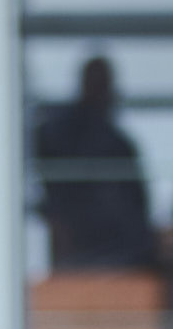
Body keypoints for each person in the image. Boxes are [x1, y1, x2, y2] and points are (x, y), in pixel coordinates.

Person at [33, 55, 155, 274]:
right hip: (77, 248)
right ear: (84, 86)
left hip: (119, 250)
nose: (101, 92)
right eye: (96, 84)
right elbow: (51, 192)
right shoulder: (58, 135)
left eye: (104, 85)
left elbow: (138, 204)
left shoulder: (121, 145)